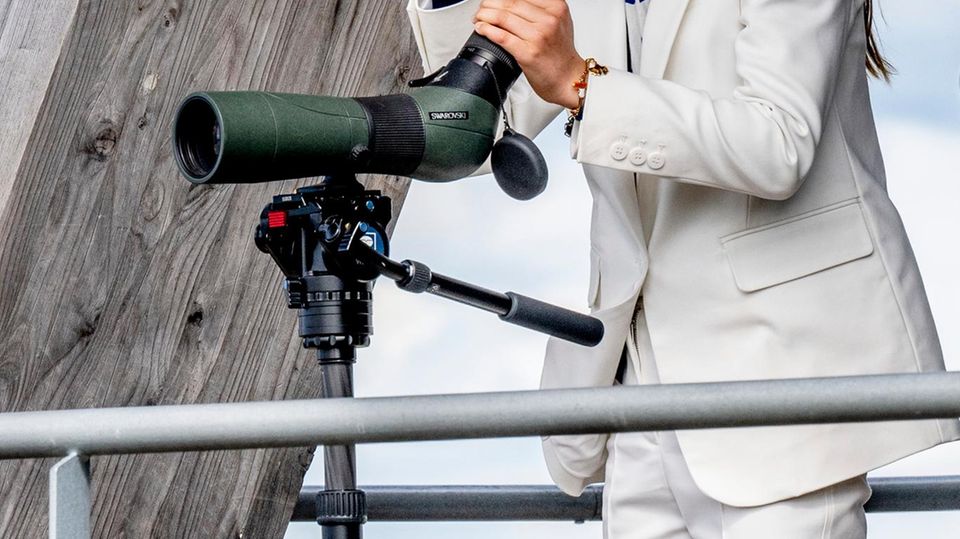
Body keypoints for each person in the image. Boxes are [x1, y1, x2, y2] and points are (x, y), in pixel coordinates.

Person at [406, 1, 960, 537]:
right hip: (638, 384)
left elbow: (777, 143)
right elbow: (471, 126)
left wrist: (582, 84)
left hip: (778, 382)